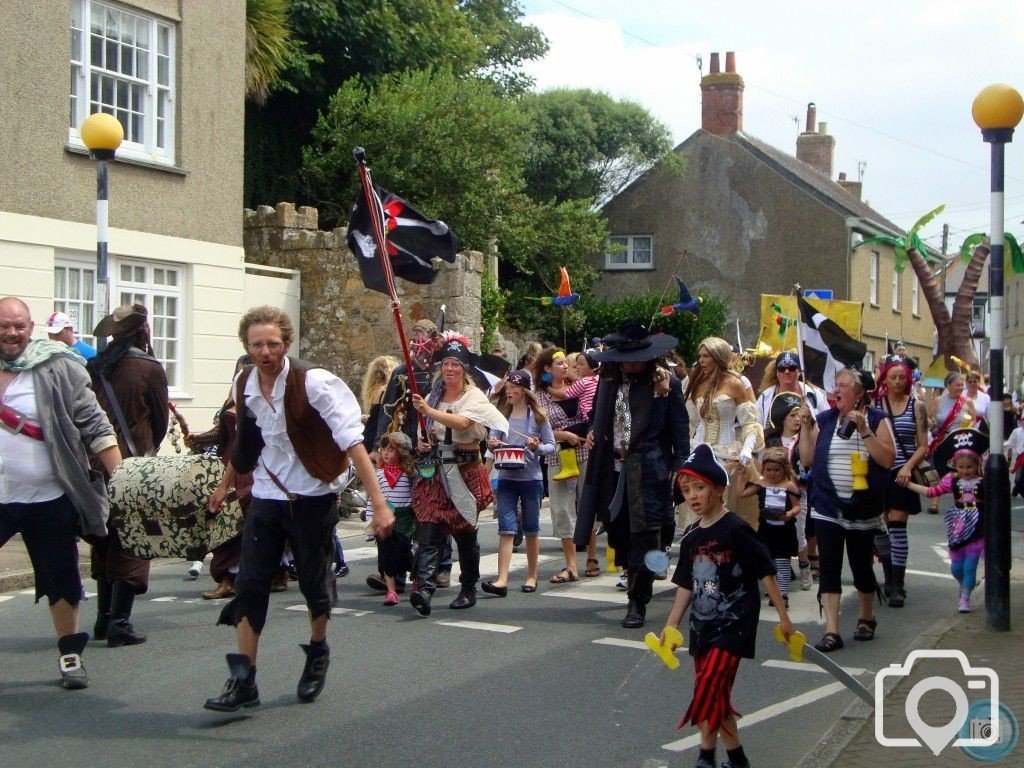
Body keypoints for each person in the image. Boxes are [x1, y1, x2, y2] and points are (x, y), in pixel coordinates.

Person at [203, 306, 393, 712]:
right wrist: (222, 489)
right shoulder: (246, 383)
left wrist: (379, 504)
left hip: (313, 495)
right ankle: (243, 679)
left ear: (286, 344)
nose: (265, 351)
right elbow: (247, 446)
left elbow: (352, 443)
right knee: (250, 583)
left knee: (312, 581)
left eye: (273, 343)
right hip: (267, 497)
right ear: (247, 347)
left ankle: (318, 650)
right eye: (257, 345)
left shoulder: (314, 382)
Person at [0, 296, 121, 689]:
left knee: (62, 578)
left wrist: (121, 477)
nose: (11, 333)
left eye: (18, 325)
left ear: (30, 327)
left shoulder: (55, 365)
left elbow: (92, 419)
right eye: (4, 325)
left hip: (49, 496)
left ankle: (70, 657)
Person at [662, 444, 794, 768]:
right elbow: (685, 585)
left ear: (719, 490)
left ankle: (706, 756)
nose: (693, 496)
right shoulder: (692, 536)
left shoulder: (736, 529)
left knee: (708, 690)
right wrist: (671, 624)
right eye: (687, 489)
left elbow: (765, 572)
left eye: (700, 487)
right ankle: (737, 761)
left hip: (735, 625)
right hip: (702, 626)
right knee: (716, 695)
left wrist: (784, 618)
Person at [586, 321, 689, 628]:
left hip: (649, 470)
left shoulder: (665, 383)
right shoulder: (609, 381)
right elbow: (596, 416)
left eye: (635, 357)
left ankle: (637, 602)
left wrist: (680, 466)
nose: (629, 363)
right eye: (624, 357)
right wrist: (593, 430)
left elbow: (679, 429)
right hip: (615, 471)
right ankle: (636, 581)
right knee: (620, 536)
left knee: (646, 537)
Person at [408, 337, 508, 616]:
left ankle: (468, 588)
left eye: (455, 364)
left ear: (464, 369)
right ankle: (425, 589)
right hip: (438, 471)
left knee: (465, 534)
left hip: (465, 471)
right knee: (429, 530)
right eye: (446, 364)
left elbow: (463, 422)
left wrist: (429, 411)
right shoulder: (433, 396)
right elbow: (425, 432)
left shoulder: (474, 397)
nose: (450, 369)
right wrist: (424, 442)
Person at [88, 304, 169, 647]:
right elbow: (160, 421)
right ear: (143, 331)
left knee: (105, 539)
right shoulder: (147, 367)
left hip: (95, 465)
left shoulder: (95, 365)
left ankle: (103, 619)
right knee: (134, 541)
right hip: (134, 465)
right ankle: (120, 621)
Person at [798, 367, 895, 653]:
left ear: (859, 392)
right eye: (835, 384)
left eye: (844, 385)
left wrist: (864, 431)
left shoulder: (877, 420)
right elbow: (807, 459)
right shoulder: (825, 420)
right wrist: (805, 427)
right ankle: (832, 630)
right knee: (829, 566)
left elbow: (887, 460)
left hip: (862, 508)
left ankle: (866, 616)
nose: (837, 389)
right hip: (827, 505)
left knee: (860, 566)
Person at [371, 320, 455, 590]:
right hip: (406, 450)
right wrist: (379, 447)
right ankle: (393, 571)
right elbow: (386, 412)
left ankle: (440, 566)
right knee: (400, 509)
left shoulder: (442, 371)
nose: (418, 345)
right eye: (414, 338)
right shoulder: (400, 372)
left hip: (434, 449)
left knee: (436, 509)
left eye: (424, 339)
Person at [898, 428, 988, 613]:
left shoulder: (984, 482)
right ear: (955, 465)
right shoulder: (951, 480)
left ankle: (965, 598)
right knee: (956, 568)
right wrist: (910, 485)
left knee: (970, 566)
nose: (965, 471)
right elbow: (932, 492)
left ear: (977, 465)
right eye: (961, 467)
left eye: (969, 467)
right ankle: (963, 586)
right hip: (959, 526)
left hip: (979, 526)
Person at [483, 369, 555, 595]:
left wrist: (537, 447)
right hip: (506, 477)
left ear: (524, 391)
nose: (510, 392)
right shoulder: (501, 416)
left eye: (514, 389)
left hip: (531, 478)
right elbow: (491, 443)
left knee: (531, 529)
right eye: (508, 389)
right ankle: (501, 579)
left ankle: (532, 575)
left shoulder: (538, 417)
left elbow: (551, 446)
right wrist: (492, 444)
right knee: (506, 528)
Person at [684, 337, 763, 528]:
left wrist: (747, 449)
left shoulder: (735, 383)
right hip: (700, 453)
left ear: (718, 358)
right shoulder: (696, 383)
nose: (701, 360)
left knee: (722, 513)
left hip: (727, 457)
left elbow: (750, 422)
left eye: (706, 356)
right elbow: (691, 422)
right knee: (699, 511)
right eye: (700, 356)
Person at [199, 355, 256, 601]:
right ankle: (229, 576)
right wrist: (198, 439)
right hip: (227, 465)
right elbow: (221, 435)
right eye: (239, 375)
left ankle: (232, 578)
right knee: (224, 519)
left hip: (249, 468)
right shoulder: (231, 400)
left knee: (237, 523)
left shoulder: (258, 402)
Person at [873, 356, 928, 608]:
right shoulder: (876, 403)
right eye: (892, 377)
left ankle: (898, 584)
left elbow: (923, 445)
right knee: (880, 528)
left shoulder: (916, 406)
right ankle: (888, 574)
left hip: (902, 475)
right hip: (880, 473)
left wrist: (907, 466)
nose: (897, 382)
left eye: (901, 377)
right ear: (884, 378)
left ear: (908, 380)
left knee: (897, 527)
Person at [533, 347, 590, 584]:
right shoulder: (539, 396)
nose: (565, 366)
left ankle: (593, 559)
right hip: (558, 455)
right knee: (562, 509)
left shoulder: (580, 387)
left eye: (565, 363)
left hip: (585, 451)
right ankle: (571, 564)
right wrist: (564, 435)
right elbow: (538, 430)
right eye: (558, 364)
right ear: (547, 369)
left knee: (588, 502)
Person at [740, 447, 800, 607]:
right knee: (767, 561)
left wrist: (789, 514)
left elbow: (797, 507)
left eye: (776, 470)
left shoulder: (789, 486)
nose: (772, 474)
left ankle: (783, 595)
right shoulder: (761, 484)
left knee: (782, 562)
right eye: (768, 470)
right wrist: (741, 476)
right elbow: (742, 494)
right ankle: (773, 589)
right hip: (766, 530)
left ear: (784, 470)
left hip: (784, 530)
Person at [764, 392, 813, 589]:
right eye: (792, 415)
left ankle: (804, 564)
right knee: (774, 536)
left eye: (798, 415)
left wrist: (808, 428)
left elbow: (809, 462)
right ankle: (778, 578)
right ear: (782, 417)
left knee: (799, 535)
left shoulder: (803, 438)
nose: (796, 420)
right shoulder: (770, 439)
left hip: (797, 494)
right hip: (773, 494)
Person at [370, 432, 417, 606]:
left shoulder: (410, 473)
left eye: (391, 450)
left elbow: (415, 496)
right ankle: (391, 591)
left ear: (402, 452)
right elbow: (373, 499)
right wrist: (371, 522)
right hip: (384, 517)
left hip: (404, 517)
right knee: (385, 553)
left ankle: (416, 582)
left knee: (404, 551)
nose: (385, 453)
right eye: (383, 449)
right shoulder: (379, 474)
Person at [926, 372, 974, 513]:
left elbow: (973, 418)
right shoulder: (938, 401)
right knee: (940, 470)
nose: (960, 387)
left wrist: (968, 425)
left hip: (960, 439)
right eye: (957, 385)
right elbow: (928, 417)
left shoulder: (967, 401)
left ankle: (960, 500)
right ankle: (935, 502)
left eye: (961, 385)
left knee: (959, 471)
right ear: (948, 385)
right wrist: (932, 423)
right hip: (942, 439)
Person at [755, 351, 829, 428]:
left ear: (799, 372)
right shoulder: (766, 397)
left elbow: (828, 423)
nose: (787, 371)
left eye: (792, 368)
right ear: (777, 372)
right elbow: (756, 425)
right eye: (782, 368)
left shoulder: (815, 396)